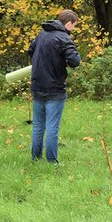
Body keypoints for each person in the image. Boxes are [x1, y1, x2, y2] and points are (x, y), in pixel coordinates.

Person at [28, 9, 82, 163]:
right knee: (52, 126)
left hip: (38, 85)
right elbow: (75, 61)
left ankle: (35, 159)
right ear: (69, 23)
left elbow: (30, 51)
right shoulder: (64, 38)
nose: (74, 29)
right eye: (74, 26)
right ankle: (52, 161)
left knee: (38, 125)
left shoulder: (42, 33)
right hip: (55, 88)